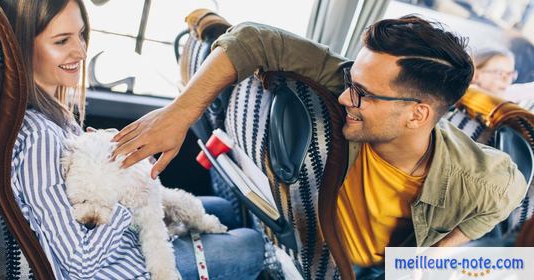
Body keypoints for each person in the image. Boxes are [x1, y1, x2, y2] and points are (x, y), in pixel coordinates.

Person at [112, 16, 528, 277]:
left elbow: (507, 196)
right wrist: (178, 114)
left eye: (362, 93)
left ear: (417, 114)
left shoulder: (487, 179)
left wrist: (429, 262)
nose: (345, 97)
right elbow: (252, 37)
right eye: (350, 82)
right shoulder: (349, 83)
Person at [0, 0, 264, 279]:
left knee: (224, 210)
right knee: (251, 244)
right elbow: (79, 262)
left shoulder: (57, 114)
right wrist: (125, 196)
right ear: (22, 46)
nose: (80, 50)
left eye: (81, 34)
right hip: (124, 268)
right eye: (62, 41)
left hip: (128, 241)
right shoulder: (38, 138)